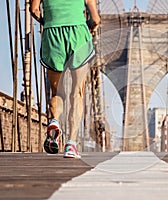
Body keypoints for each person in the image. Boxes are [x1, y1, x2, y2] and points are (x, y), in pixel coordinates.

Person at [30, 0, 100, 158]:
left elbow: (34, 10)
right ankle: (71, 145)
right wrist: (87, 25)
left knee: (56, 92)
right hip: (78, 34)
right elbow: (96, 19)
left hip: (52, 34)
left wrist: (48, 22)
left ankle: (54, 120)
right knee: (77, 93)